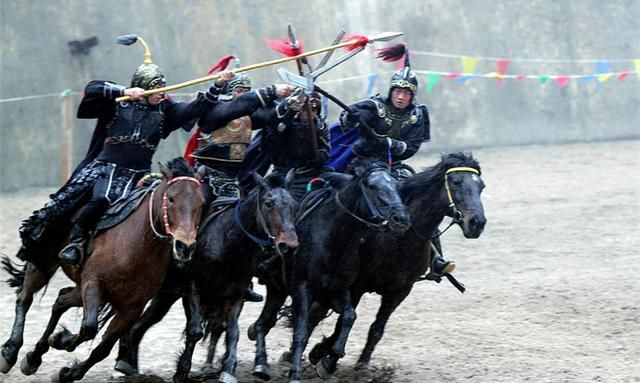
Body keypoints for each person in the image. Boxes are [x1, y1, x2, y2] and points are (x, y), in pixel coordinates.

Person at [18, 34, 228, 266]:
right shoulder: (117, 103)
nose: (162, 92)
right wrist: (123, 91)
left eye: (163, 87)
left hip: (140, 175)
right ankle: (76, 242)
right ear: (143, 87)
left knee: (160, 208)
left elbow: (195, 108)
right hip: (106, 170)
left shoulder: (166, 111)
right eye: (156, 88)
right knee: (99, 200)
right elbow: (93, 88)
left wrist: (217, 85)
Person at [337, 43, 454, 280]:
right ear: (391, 91)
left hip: (396, 166)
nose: (401, 97)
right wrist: (350, 117)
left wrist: (389, 144)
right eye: (398, 92)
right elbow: (345, 121)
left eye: (407, 93)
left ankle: (435, 257)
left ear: (413, 95)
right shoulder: (374, 106)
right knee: (377, 184)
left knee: (423, 200)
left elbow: (412, 146)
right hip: (366, 163)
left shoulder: (418, 114)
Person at [183, 63, 295, 302]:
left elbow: (269, 115)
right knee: (191, 214)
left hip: (233, 181)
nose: (243, 95)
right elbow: (239, 106)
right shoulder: (215, 112)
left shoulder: (247, 116)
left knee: (252, 222)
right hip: (207, 176)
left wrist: (290, 104)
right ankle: (178, 262)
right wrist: (271, 92)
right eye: (239, 90)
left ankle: (244, 277)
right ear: (230, 92)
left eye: (247, 90)